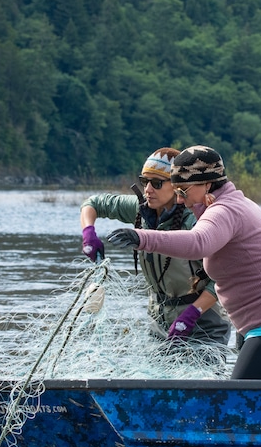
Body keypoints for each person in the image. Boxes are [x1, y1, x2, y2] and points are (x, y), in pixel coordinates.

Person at [105, 145, 261, 380]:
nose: (179, 199)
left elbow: (198, 242)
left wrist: (141, 237)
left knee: (237, 405)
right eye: (176, 190)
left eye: (184, 191)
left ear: (207, 184)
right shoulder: (230, 203)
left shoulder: (225, 210)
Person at [80, 147, 231, 347]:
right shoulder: (140, 209)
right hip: (159, 324)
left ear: (177, 185)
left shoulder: (196, 220)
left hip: (204, 326)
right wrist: (88, 232)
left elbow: (221, 278)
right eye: (145, 182)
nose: (148, 190)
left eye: (157, 183)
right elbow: (94, 203)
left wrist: (192, 314)